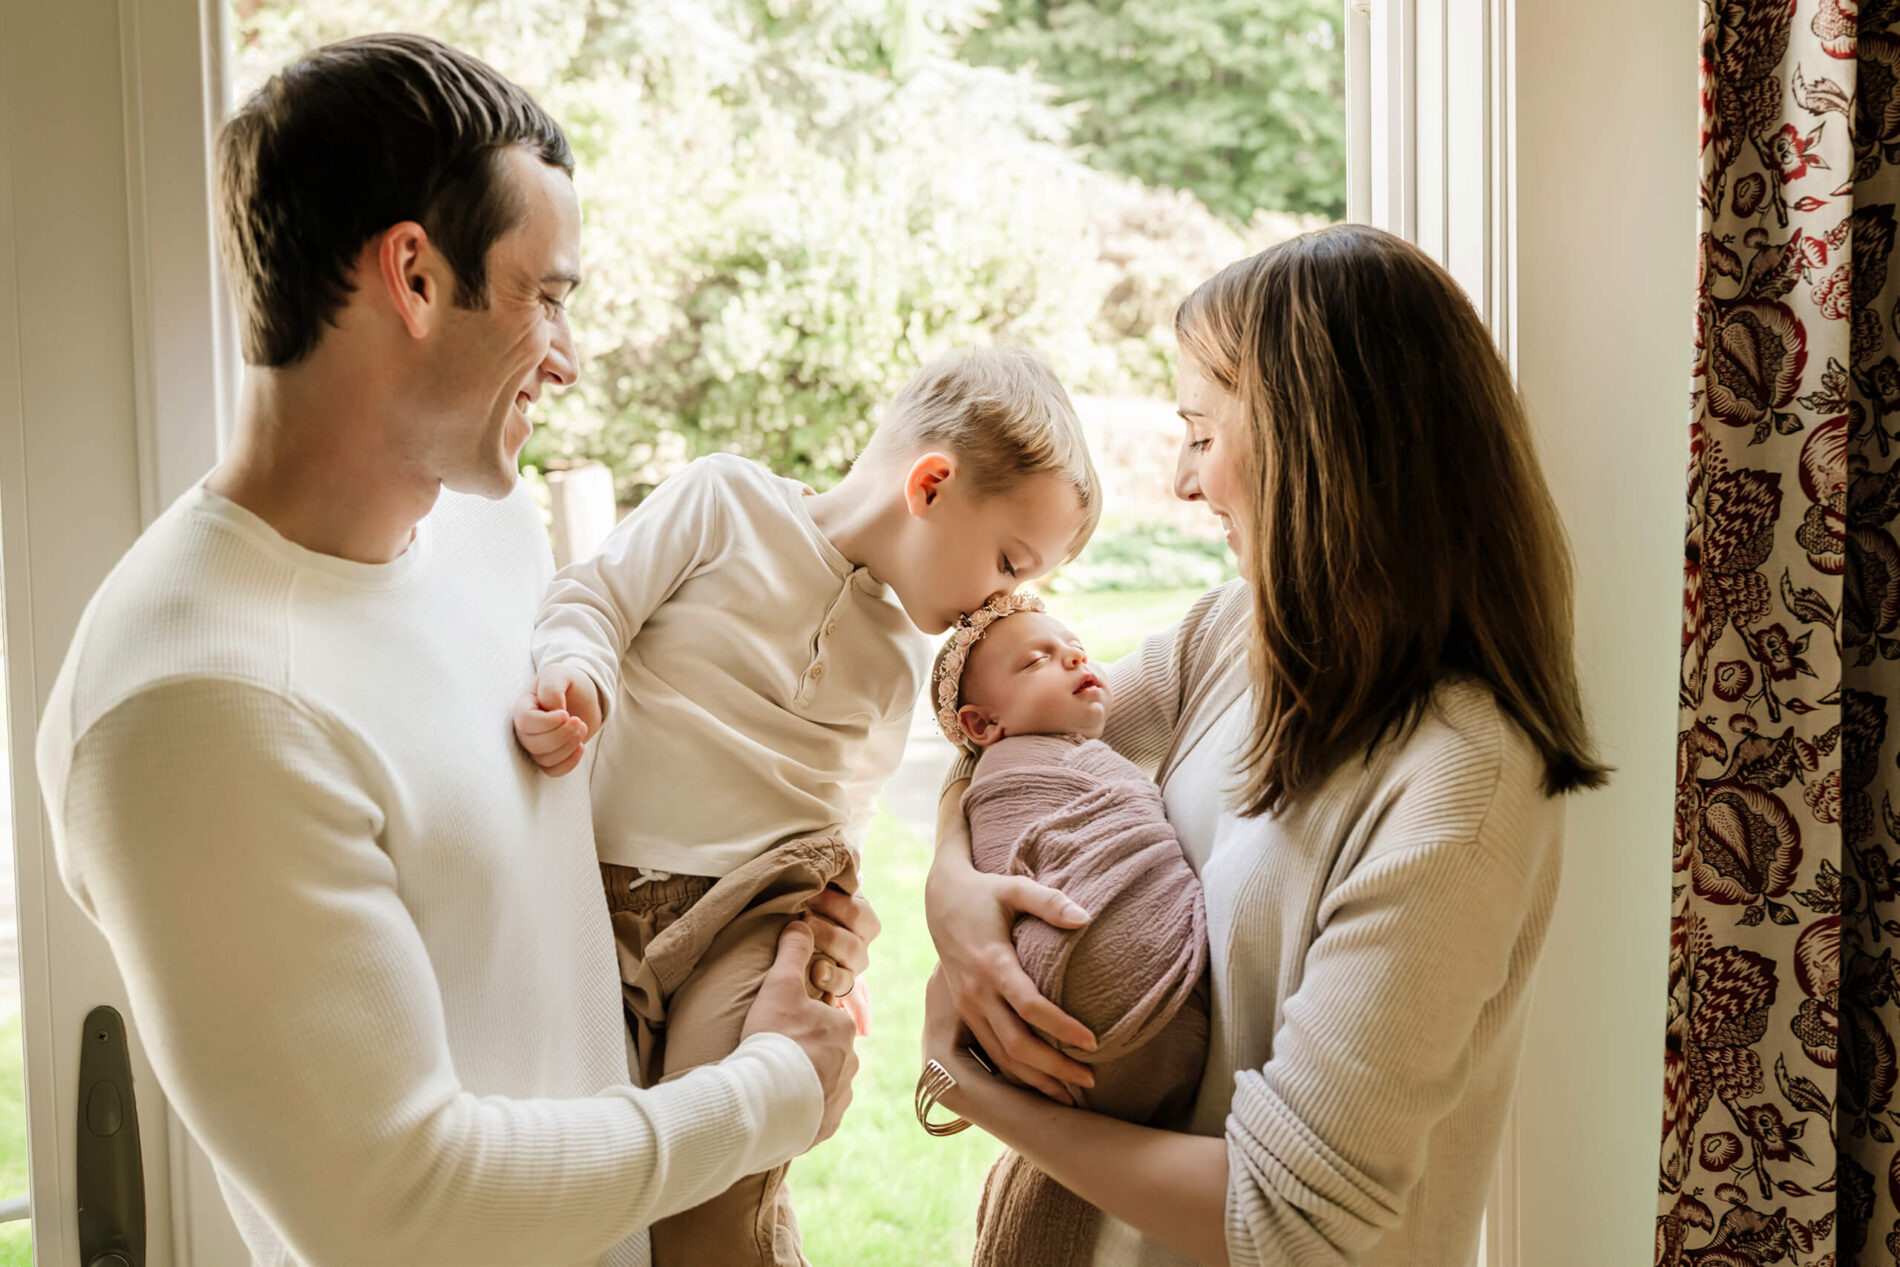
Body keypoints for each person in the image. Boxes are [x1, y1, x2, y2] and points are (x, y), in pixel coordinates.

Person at [34, 34, 872, 1267]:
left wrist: (763, 931)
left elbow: (535, 927)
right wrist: (770, 1091)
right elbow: (398, 1208)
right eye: (549, 298)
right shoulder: (190, 708)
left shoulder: (485, 528)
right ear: (415, 279)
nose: (570, 357)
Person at [920, 223, 1610, 1266]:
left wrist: (974, 1088)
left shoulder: (1458, 788)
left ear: (1319, 441)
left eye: (1201, 436)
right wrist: (951, 890)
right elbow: (1012, 744)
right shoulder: (1229, 635)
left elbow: (1285, 1217)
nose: (1186, 485)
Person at [513, 344, 1101, 1265]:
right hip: (600, 899)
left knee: (716, 1190)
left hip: (759, 918)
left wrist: (839, 937)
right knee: (601, 1175)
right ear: (932, 483)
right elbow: (593, 597)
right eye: (1008, 561)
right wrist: (576, 675)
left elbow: (849, 805)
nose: (1003, 599)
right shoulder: (724, 502)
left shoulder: (908, 652)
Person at [926, 594, 1208, 1267]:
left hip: (1092, 1064)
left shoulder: (1053, 732)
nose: (1078, 658)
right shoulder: (1017, 764)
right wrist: (948, 868)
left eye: (1074, 645)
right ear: (983, 721)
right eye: (1038, 659)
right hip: (1099, 1022)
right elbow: (977, 765)